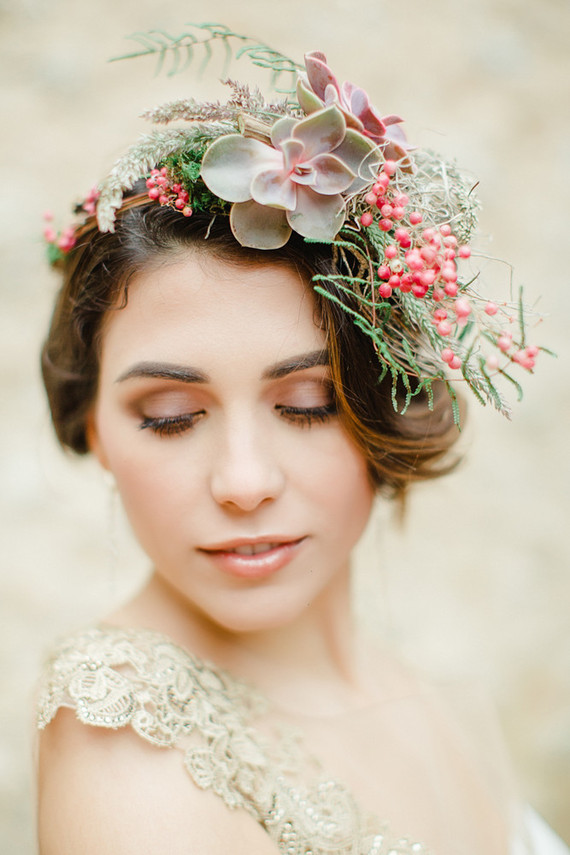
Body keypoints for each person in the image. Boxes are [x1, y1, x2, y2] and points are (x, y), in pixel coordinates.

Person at [35, 27, 562, 855]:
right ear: (94, 427)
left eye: (311, 403)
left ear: (389, 405)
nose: (243, 481)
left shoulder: (442, 697)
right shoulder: (125, 743)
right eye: (171, 414)